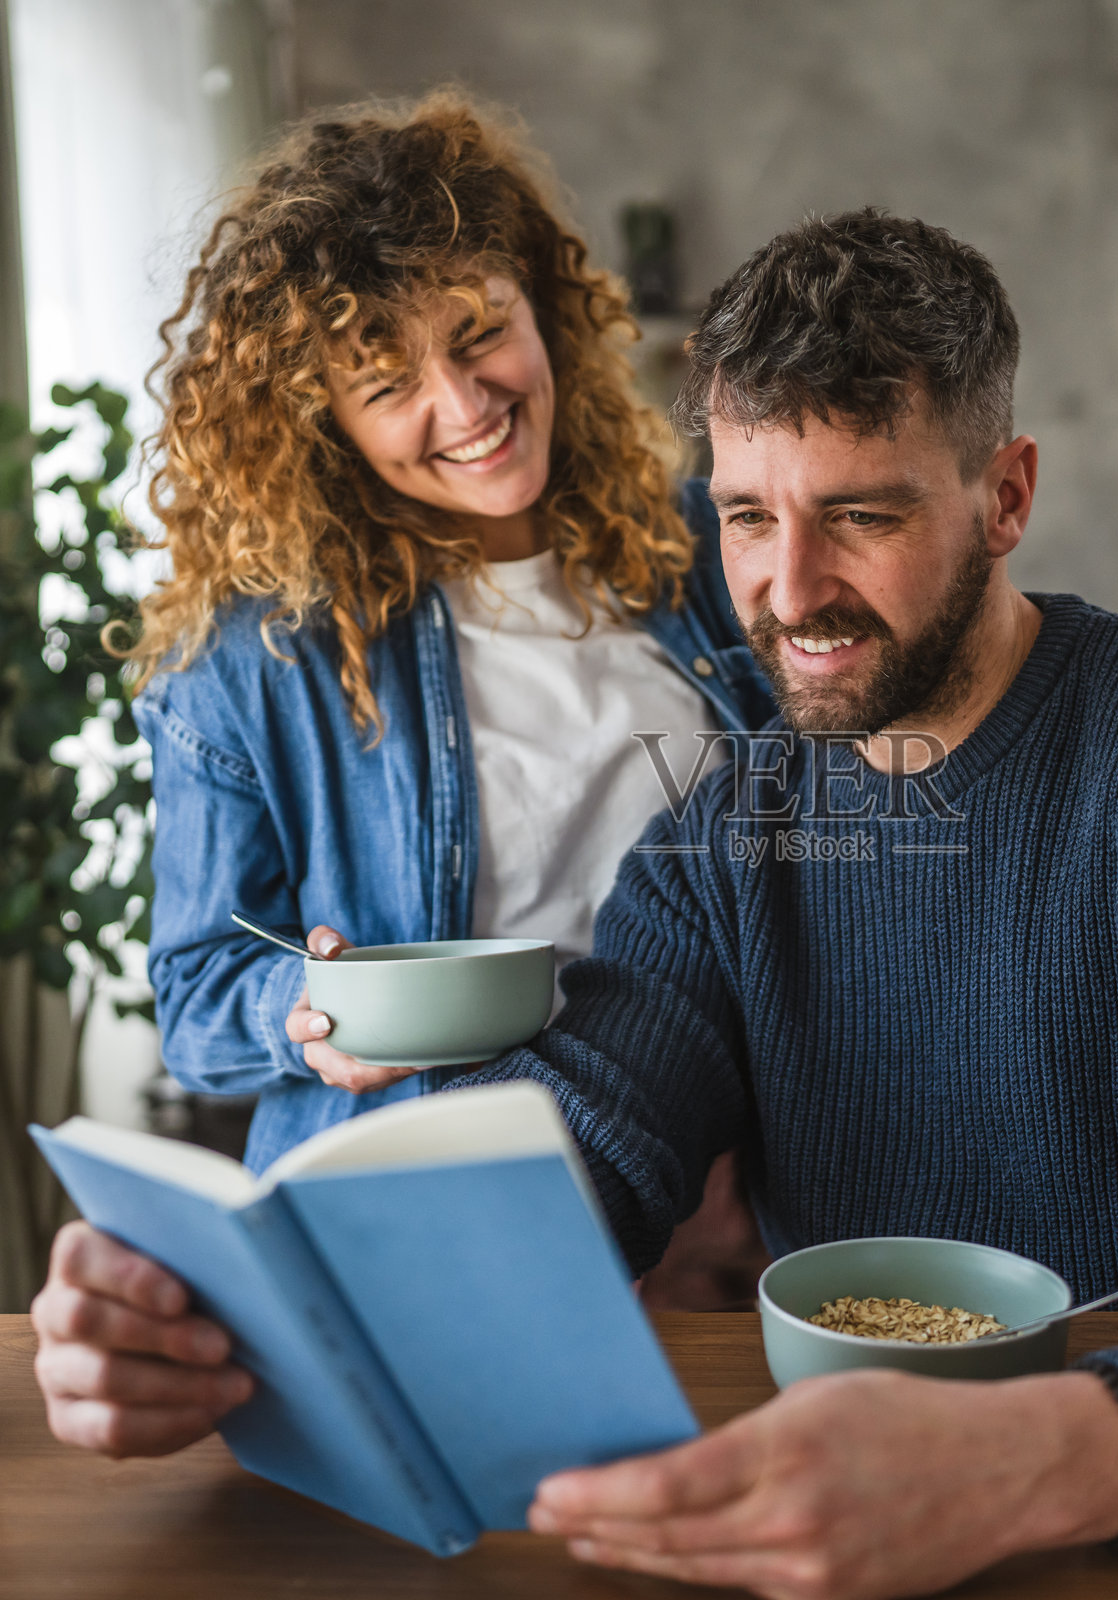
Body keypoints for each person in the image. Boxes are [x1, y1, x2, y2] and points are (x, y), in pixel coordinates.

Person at [34, 209, 1118, 1599]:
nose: (787, 592)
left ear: (1005, 494)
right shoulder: (731, 836)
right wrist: (230, 1314)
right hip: (835, 1548)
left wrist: (1042, 1458)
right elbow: (566, 1147)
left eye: (863, 515)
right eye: (745, 516)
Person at [119, 94, 773, 1284]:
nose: (467, 406)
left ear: (543, 307)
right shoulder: (258, 658)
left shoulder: (706, 549)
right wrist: (306, 1009)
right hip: (430, 1222)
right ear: (323, 421)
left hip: (717, 1212)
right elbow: (199, 998)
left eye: (479, 333)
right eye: (387, 384)